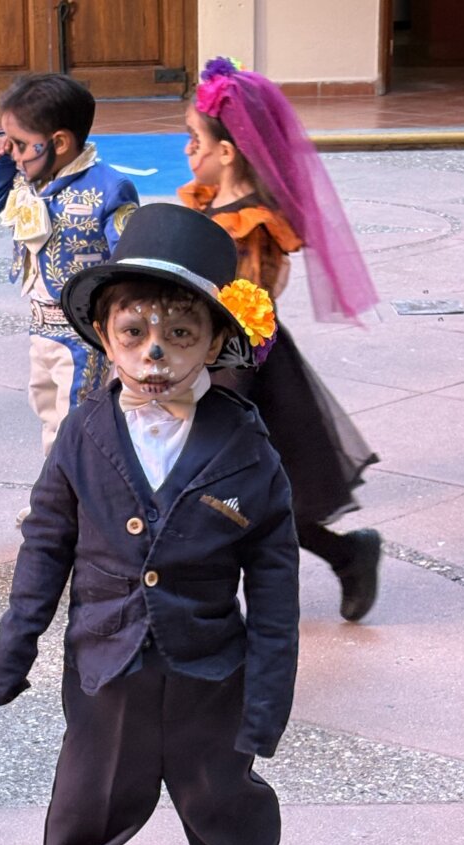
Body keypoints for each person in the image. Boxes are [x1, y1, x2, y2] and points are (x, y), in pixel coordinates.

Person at [0, 203, 316, 845]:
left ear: (214, 340)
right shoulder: (83, 433)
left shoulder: (247, 446)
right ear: (105, 335)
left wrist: (269, 697)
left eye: (180, 333)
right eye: (134, 332)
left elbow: (275, 585)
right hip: (107, 663)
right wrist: (17, 642)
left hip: (210, 670)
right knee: (84, 804)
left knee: (229, 806)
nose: (154, 353)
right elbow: (46, 543)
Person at [179, 57, 382, 622]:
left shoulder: (253, 223)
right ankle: (345, 555)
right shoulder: (208, 201)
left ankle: (342, 557)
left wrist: (221, 391)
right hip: (207, 362)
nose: (187, 150)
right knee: (239, 496)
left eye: (195, 139)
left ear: (227, 151)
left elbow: (249, 309)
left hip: (245, 371)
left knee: (250, 496)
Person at [0, 72, 139, 522]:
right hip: (42, 324)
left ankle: (63, 506)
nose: (13, 153)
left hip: (84, 332)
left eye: (19, 144)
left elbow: (127, 257)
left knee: (75, 420)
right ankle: (68, 497)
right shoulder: (31, 179)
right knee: (48, 409)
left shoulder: (108, 188)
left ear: (60, 142)